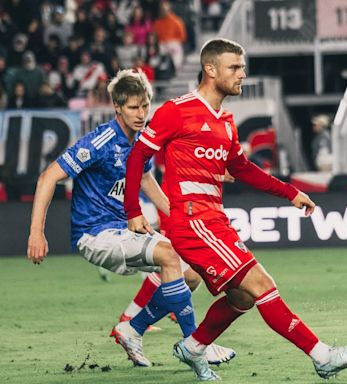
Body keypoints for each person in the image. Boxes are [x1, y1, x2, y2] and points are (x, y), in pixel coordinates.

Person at [123, 38, 347, 381]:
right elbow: (137, 155)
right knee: (261, 283)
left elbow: (242, 169)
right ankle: (322, 355)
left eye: (242, 67)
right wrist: (133, 209)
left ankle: (194, 347)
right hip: (191, 220)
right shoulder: (176, 110)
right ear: (210, 70)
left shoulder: (225, 121)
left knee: (242, 297)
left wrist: (290, 192)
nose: (242, 73)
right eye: (235, 67)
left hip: (213, 219)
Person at [26, 69, 234, 367]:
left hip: (123, 230)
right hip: (94, 233)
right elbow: (47, 178)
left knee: (193, 271)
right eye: (133, 108)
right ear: (118, 108)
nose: (140, 114)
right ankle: (196, 345)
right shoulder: (99, 142)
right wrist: (37, 232)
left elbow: (147, 182)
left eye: (145, 106)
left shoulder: (141, 143)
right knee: (169, 254)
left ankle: (132, 329)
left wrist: (179, 217)